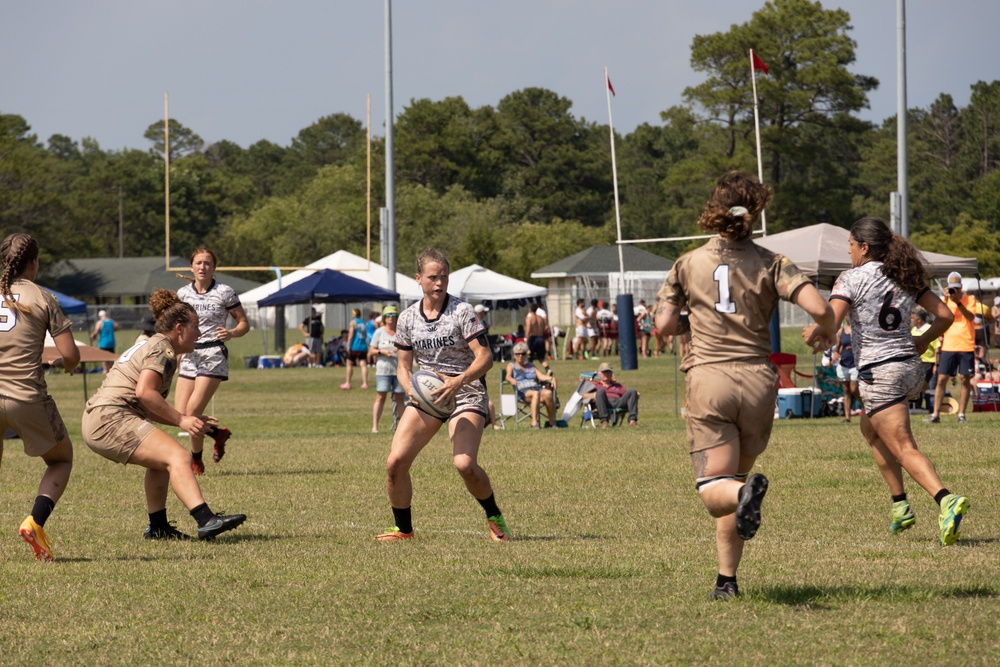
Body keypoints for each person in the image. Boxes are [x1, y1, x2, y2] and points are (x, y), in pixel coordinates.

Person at [655, 171, 836, 601]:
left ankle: (743, 492)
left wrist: (691, 321)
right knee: (735, 478)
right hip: (758, 381)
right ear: (754, 211)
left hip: (710, 377)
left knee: (715, 488)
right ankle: (726, 581)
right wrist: (822, 331)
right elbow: (820, 308)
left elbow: (663, 325)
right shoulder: (772, 261)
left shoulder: (688, 263)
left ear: (713, 210)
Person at [805, 216, 969, 548]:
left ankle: (946, 499)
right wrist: (923, 341)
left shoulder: (850, 279)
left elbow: (831, 320)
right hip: (911, 368)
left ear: (864, 247)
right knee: (870, 428)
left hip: (881, 372)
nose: (848, 251)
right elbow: (946, 316)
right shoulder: (903, 275)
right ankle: (900, 505)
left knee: (904, 446)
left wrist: (816, 331)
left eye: (851, 245)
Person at [82, 289, 246, 541]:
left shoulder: (155, 344)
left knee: (160, 463)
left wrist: (183, 416)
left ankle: (158, 527)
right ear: (179, 329)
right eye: (196, 327)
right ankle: (206, 520)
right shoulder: (164, 350)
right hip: (111, 418)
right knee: (178, 456)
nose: (200, 333)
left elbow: (146, 404)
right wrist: (181, 420)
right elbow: (145, 392)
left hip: (102, 417)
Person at [376, 247, 511, 542]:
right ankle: (403, 529)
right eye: (433, 277)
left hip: (466, 392)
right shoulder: (408, 318)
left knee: (465, 465)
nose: (439, 283)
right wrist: (410, 387)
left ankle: (495, 517)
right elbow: (403, 365)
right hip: (428, 396)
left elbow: (485, 358)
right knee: (395, 463)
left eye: (444, 277)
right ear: (419, 279)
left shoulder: (462, 312)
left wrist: (458, 380)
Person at [1, 233, 80, 561]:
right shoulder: (44, 298)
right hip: (26, 396)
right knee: (61, 459)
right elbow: (71, 354)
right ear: (34, 263)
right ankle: (35, 522)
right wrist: (66, 364)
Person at [175, 248, 248, 475]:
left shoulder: (225, 292)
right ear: (191, 267)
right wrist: (176, 355)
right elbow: (177, 328)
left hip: (213, 354)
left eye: (207, 263)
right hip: (189, 354)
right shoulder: (182, 294)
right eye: (198, 263)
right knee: (181, 415)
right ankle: (217, 434)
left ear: (214, 268)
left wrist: (232, 333)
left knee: (193, 409)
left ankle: (196, 460)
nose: (202, 267)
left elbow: (244, 323)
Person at [928, 272, 978, 424]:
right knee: (942, 379)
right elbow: (938, 316)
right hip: (949, 345)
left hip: (966, 344)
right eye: (952, 288)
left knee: (964, 379)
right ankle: (935, 414)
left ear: (961, 287)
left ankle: (961, 414)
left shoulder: (970, 299)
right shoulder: (946, 301)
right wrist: (944, 299)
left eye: (957, 288)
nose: (955, 292)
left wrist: (958, 303)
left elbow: (970, 317)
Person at [370, 304, 406, 434]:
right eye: (388, 316)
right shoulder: (379, 332)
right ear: (384, 318)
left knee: (400, 398)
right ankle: (375, 426)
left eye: (393, 315)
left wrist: (399, 349)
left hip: (399, 370)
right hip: (383, 370)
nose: (391, 318)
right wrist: (382, 352)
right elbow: (371, 350)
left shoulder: (401, 332)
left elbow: (409, 347)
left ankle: (402, 427)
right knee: (381, 397)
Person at [505, 341, 558, 429]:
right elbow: (507, 376)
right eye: (517, 354)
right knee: (535, 394)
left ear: (526, 355)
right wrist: (511, 380)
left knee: (548, 393)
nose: (520, 356)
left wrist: (552, 379)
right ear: (514, 355)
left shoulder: (531, 366)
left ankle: (551, 423)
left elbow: (540, 376)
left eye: (523, 354)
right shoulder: (511, 365)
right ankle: (534, 423)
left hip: (536, 388)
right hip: (522, 391)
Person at [592, 362, 639, 428]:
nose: (606, 374)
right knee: (600, 391)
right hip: (605, 403)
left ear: (611, 374)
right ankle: (604, 422)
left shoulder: (617, 386)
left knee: (632, 391)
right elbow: (583, 395)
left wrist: (635, 394)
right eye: (604, 372)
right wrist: (593, 395)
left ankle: (632, 421)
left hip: (618, 402)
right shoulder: (595, 386)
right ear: (599, 374)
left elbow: (626, 395)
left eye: (608, 372)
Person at [910, 307, 938, 411]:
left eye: (912, 318)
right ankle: (919, 406)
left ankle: (923, 406)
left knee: (922, 385)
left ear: (919, 320)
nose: (910, 320)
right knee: (917, 385)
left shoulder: (929, 329)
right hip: (916, 362)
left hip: (928, 362)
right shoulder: (913, 330)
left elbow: (937, 347)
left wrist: (936, 364)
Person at [834, 321, 860, 423]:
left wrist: (854, 348)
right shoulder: (841, 331)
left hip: (855, 364)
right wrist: (836, 353)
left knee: (854, 389)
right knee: (846, 391)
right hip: (844, 364)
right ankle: (847, 417)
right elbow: (837, 346)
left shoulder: (857, 330)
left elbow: (864, 345)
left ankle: (865, 408)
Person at [341, 308, 369, 390]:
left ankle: (348, 383)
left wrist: (348, 344)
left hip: (355, 346)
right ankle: (365, 383)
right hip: (363, 346)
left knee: (349, 363)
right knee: (363, 364)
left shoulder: (353, 322)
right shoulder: (363, 322)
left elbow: (351, 334)